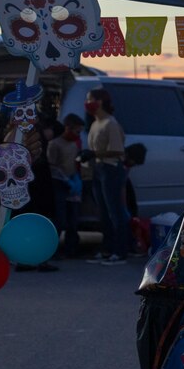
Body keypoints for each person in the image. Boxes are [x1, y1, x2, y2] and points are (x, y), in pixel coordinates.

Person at [84, 88, 128, 265]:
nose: (88, 103)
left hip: (111, 169)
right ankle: (107, 249)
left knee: (114, 211)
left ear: (100, 101)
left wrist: (95, 154)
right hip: (98, 169)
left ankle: (120, 251)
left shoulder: (111, 123)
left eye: (90, 99)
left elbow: (118, 150)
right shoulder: (96, 123)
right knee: (103, 212)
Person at [47, 114, 85, 259]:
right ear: (68, 128)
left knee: (73, 220)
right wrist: (66, 180)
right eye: (76, 131)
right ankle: (52, 250)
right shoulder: (55, 144)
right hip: (59, 185)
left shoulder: (74, 144)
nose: (78, 134)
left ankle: (71, 249)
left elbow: (75, 163)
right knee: (60, 220)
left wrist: (76, 179)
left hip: (73, 184)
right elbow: (53, 167)